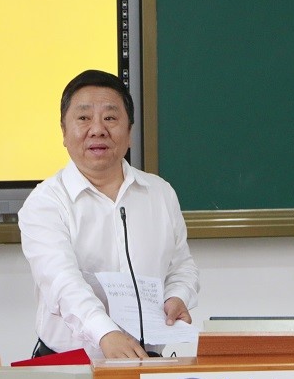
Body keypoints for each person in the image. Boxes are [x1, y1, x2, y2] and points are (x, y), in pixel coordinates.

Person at [18, 69, 199, 360]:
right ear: (64, 132)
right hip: (71, 366)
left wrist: (177, 296)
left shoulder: (160, 193)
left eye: (110, 118)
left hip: (147, 363)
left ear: (130, 132)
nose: (97, 129)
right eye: (83, 118)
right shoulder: (45, 203)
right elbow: (63, 284)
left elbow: (181, 267)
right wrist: (105, 333)